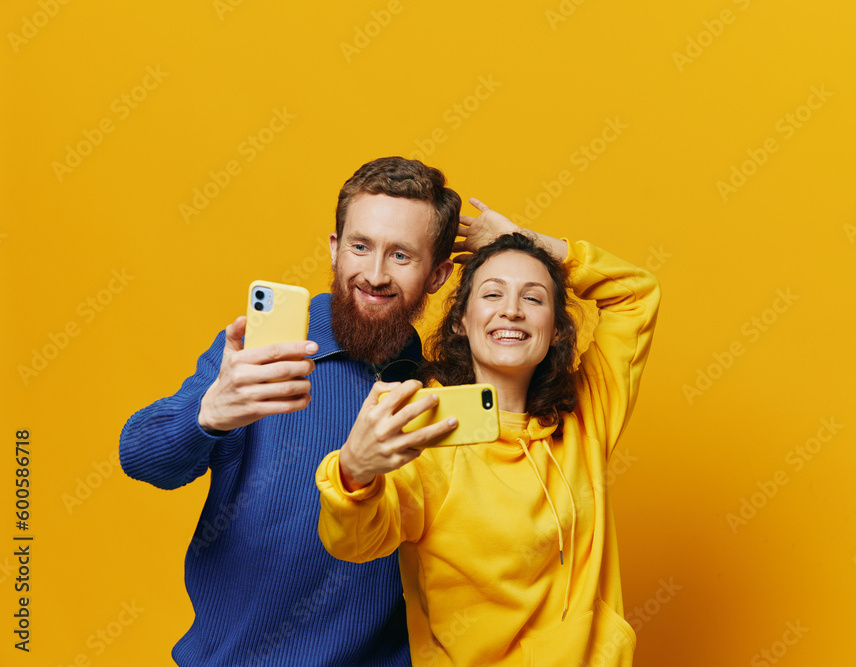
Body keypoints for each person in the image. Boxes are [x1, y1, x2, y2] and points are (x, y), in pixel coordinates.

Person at [119, 156, 465, 666]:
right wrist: (208, 415)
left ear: (438, 275)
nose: (374, 275)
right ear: (334, 249)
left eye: (401, 256)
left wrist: (520, 243)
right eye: (360, 246)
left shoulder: (438, 393)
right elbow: (140, 457)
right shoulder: (258, 357)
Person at [315, 200, 661, 666]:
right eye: (493, 295)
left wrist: (524, 240)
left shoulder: (586, 413)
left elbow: (636, 294)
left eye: (534, 298)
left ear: (557, 329)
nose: (512, 312)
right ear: (461, 320)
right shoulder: (428, 425)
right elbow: (357, 542)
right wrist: (353, 473)